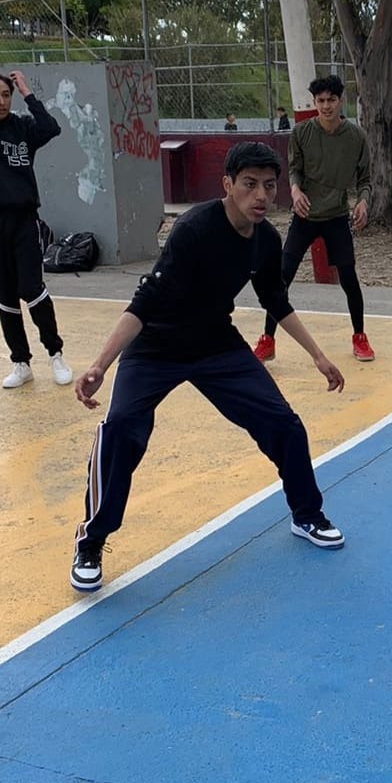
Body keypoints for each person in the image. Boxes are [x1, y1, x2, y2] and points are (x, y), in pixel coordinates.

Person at [68, 141, 347, 593]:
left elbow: (274, 300)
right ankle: (91, 542)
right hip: (155, 345)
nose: (260, 195)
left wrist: (318, 355)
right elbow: (145, 301)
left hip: (215, 343)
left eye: (269, 186)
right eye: (249, 184)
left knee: (284, 424)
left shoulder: (266, 240)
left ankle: (307, 515)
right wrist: (101, 364)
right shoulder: (195, 228)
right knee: (120, 430)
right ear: (228, 185)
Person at [0, 67, 74, 389]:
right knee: (6, 293)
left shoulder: (22, 128)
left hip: (24, 219)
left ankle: (56, 354)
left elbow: (51, 127)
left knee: (31, 286)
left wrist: (27, 92)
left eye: (5, 95)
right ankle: (20, 362)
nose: (0, 102)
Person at [252, 74, 375, 363]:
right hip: (305, 216)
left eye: (331, 99)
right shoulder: (302, 133)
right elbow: (294, 169)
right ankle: (267, 339)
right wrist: (295, 191)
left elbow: (366, 178)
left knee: (349, 279)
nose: (326, 105)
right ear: (314, 102)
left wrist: (364, 202)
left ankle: (360, 337)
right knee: (281, 278)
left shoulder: (356, 136)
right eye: (321, 100)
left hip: (336, 217)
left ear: (340, 101)